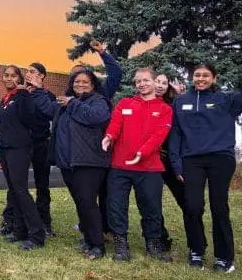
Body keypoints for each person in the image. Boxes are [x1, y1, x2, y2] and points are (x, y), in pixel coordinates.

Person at [169, 54, 242, 273]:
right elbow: (176, 135)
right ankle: (196, 250)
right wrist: (176, 164)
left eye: (206, 75)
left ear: (214, 78)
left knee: (219, 207)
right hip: (191, 160)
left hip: (220, 158)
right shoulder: (180, 101)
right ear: (192, 77)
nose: (201, 78)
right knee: (192, 205)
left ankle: (223, 258)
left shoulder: (226, 100)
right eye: (197, 75)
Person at [28, 68, 111, 259]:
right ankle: (89, 239)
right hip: (68, 163)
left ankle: (98, 245)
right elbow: (48, 109)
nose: (80, 85)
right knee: (80, 202)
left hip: (89, 162)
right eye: (76, 82)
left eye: (85, 82)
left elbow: (96, 117)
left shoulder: (98, 101)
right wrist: (39, 90)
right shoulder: (65, 102)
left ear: (92, 85)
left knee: (87, 202)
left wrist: (73, 103)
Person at [102, 68, 173, 262]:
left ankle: (153, 245)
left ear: (154, 82)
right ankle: (120, 245)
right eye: (138, 81)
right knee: (116, 206)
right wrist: (109, 137)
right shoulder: (125, 104)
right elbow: (115, 125)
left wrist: (142, 153)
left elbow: (159, 136)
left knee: (151, 207)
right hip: (120, 166)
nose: (142, 84)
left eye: (146, 80)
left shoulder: (165, 109)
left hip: (149, 168)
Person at [70, 41, 124, 240]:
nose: (78, 81)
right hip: (79, 156)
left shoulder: (101, 94)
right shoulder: (70, 98)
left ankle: (108, 229)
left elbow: (117, 74)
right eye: (74, 78)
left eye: (82, 77)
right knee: (86, 195)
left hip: (101, 154)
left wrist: (103, 53)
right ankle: (90, 228)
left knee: (105, 194)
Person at [0, 63, 56, 237]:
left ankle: (43, 224)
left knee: (40, 185)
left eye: (33, 72)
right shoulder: (11, 97)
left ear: (42, 75)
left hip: (36, 144)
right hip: (13, 147)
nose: (29, 75)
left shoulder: (41, 95)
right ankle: (14, 223)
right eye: (27, 72)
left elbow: (39, 115)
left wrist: (30, 94)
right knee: (15, 187)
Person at [154, 73, 186, 251]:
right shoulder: (142, 103)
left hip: (170, 160)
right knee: (153, 201)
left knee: (185, 198)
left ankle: (194, 236)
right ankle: (160, 237)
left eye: (164, 83)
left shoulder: (173, 105)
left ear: (168, 87)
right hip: (152, 160)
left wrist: (179, 97)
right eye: (157, 81)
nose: (159, 85)